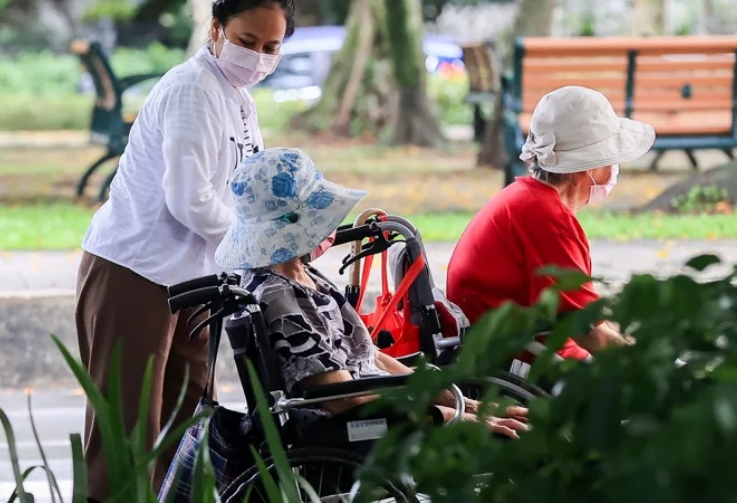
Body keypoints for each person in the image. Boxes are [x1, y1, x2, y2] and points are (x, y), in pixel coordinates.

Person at [75, 0, 296, 501]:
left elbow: (248, 187)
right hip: (137, 273)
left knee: (183, 431)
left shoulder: (239, 97)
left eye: (272, 47)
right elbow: (189, 199)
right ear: (215, 28)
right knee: (127, 440)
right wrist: (263, 248)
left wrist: (297, 230)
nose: (258, 57)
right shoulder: (193, 89)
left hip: (196, 281)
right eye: (247, 42)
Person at [215, 148, 530, 436]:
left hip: (372, 406)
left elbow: (368, 354)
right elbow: (344, 400)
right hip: (358, 426)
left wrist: (442, 393)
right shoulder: (279, 298)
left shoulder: (299, 275)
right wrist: (450, 415)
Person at [447, 86, 656, 361]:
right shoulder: (547, 217)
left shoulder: (524, 198)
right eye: (611, 157)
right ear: (588, 167)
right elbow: (589, 333)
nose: (615, 167)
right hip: (526, 359)